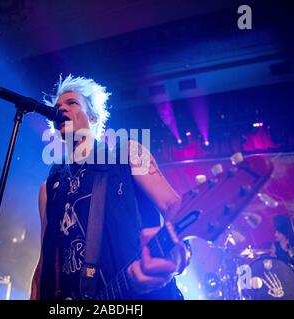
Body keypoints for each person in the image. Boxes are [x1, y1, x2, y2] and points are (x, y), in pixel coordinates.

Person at [30, 75, 189, 300]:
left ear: (93, 115)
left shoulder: (128, 154)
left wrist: (178, 258)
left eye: (72, 103)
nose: (61, 108)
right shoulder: (49, 189)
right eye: (57, 106)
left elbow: (175, 207)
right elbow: (44, 263)